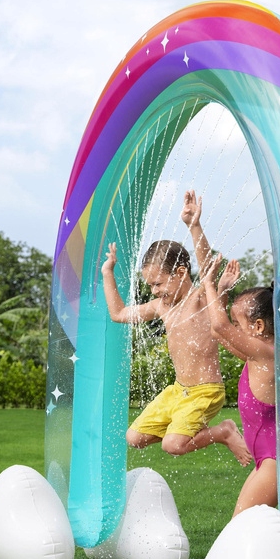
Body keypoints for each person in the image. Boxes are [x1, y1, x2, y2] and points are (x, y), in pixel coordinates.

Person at [101, 190, 251, 465]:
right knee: (134, 437)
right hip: (178, 390)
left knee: (173, 445)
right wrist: (107, 272)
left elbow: (207, 270)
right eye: (149, 285)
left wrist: (194, 226)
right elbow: (119, 314)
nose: (153, 291)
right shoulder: (161, 307)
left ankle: (224, 431)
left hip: (205, 390)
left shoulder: (201, 298)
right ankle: (182, 426)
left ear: (180, 273)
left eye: (157, 283)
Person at [201, 254, 277, 516]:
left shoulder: (266, 355)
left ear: (258, 326)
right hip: (266, 460)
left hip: (274, 462)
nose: (233, 328)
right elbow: (216, 330)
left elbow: (220, 325)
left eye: (238, 324)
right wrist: (222, 290)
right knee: (242, 526)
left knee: (241, 525)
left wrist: (208, 284)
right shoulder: (256, 357)